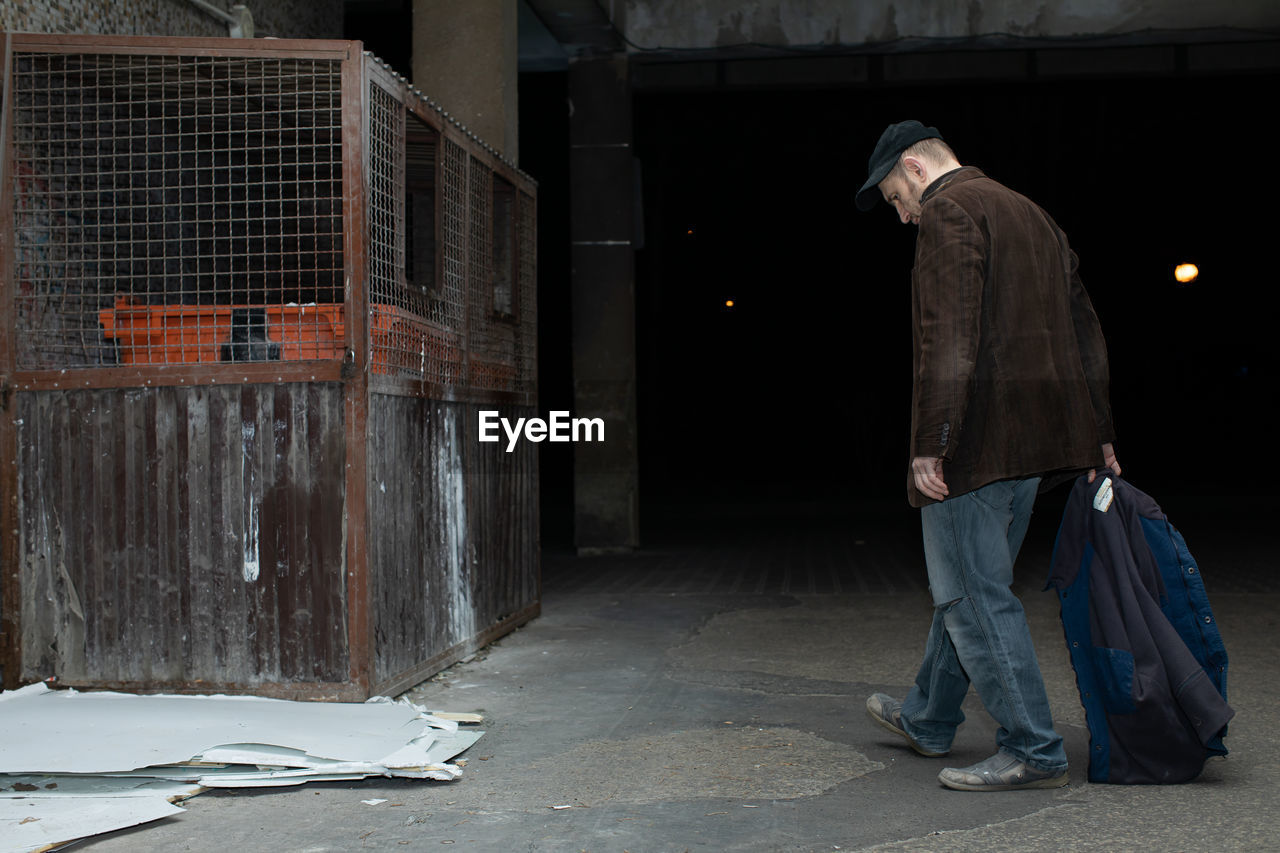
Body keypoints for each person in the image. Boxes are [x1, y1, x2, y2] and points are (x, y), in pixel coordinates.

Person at [855, 120, 1121, 792]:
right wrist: (1102, 431)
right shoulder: (1031, 212)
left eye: (893, 197)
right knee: (971, 585)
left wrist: (929, 443)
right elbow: (1085, 327)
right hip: (1034, 446)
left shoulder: (950, 212)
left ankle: (1033, 745)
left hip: (973, 447)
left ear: (915, 168)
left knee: (973, 596)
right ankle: (929, 716)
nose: (901, 215)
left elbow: (948, 337)